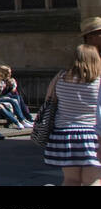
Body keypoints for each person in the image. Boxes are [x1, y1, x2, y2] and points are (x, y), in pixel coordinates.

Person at [42, 44, 101, 186]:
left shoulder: (61, 77)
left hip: (64, 135)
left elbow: (48, 100)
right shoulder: (98, 81)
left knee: (71, 179)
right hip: (91, 136)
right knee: (92, 180)